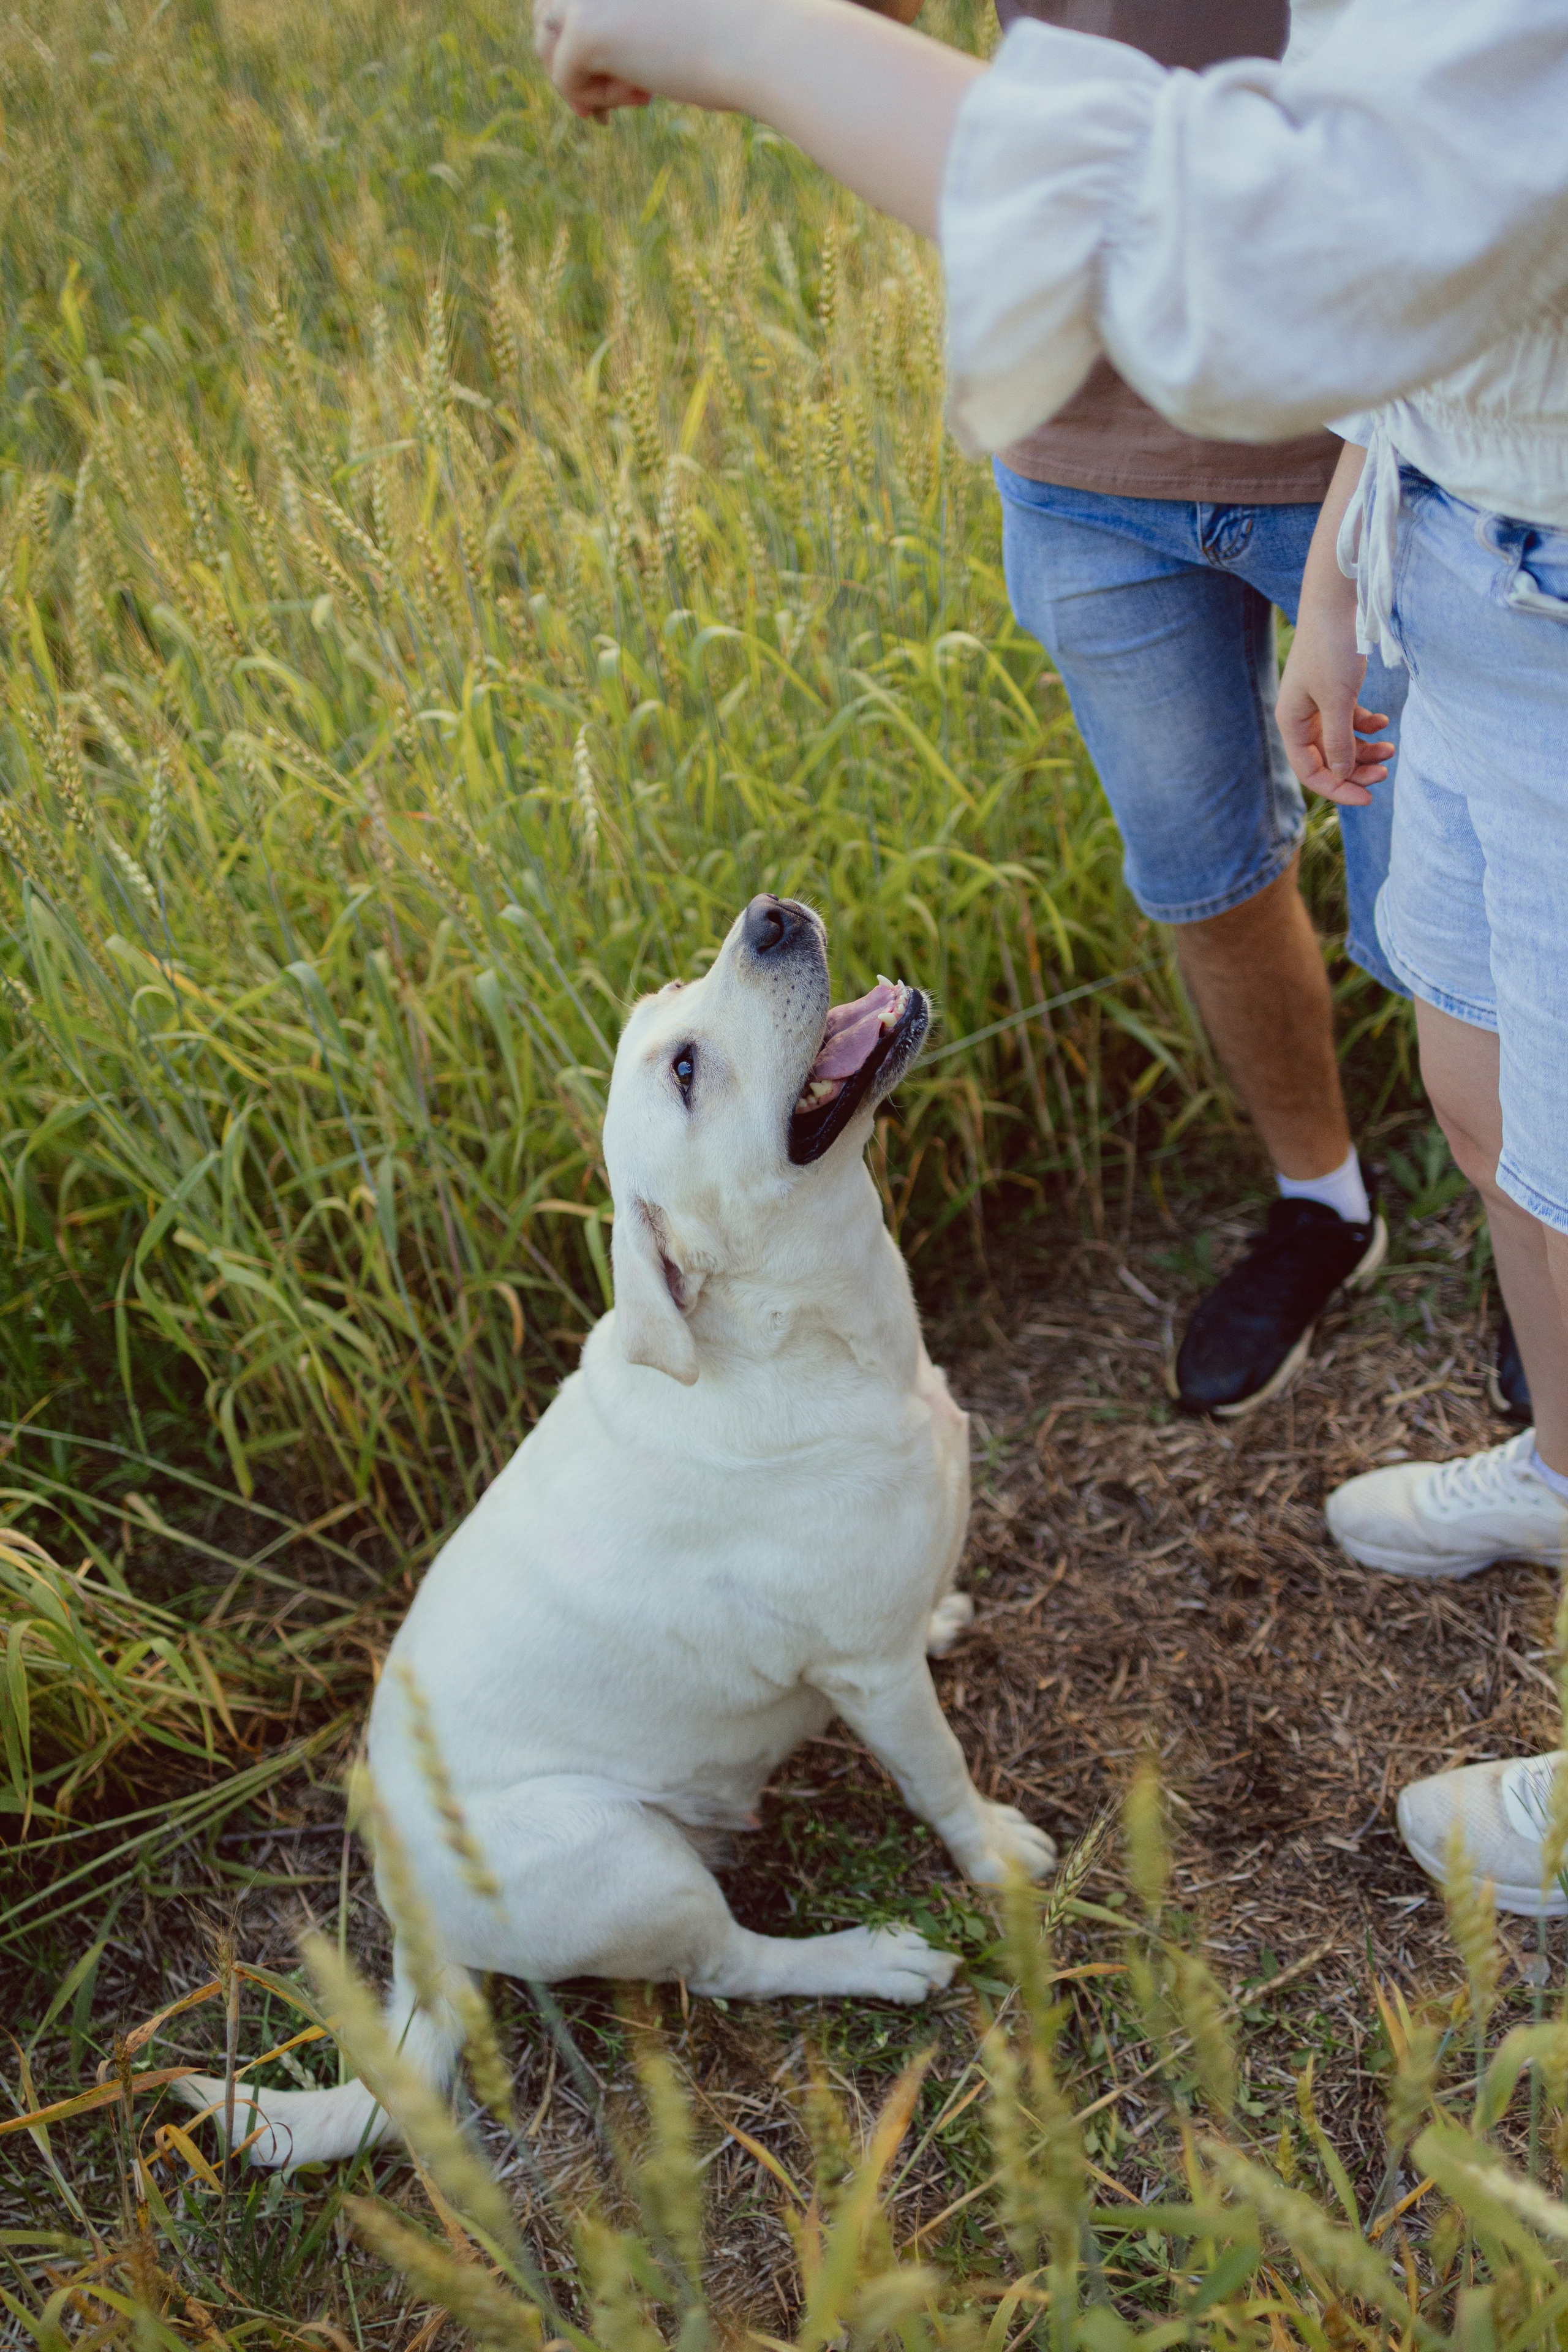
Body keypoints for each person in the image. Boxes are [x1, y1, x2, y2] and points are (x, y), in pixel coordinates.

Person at [535, 0, 1568, 1904]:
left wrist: (744, 34)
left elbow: (1272, 240)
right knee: (1422, 1027)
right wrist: (1365, 532)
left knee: (1543, 1089)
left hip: (1472, 505)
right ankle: (1425, 1311)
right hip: (1385, 503)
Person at [984, 0, 1410, 1422]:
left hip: (1376, 434)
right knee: (1200, 870)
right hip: (1080, 449)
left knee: (1458, 895)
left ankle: (1530, 1226)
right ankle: (1321, 1206)